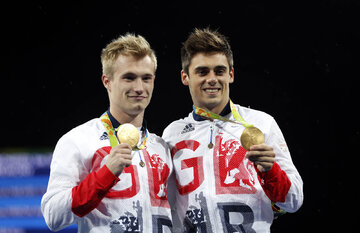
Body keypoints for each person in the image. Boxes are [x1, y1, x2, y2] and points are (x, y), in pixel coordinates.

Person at [163, 28, 303, 232]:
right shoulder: (171, 135)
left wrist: (271, 171)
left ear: (231, 74)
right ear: (185, 77)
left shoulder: (261, 123)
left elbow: (294, 200)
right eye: (202, 71)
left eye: (219, 71)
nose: (212, 79)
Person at [41, 34, 173, 232]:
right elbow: (53, 215)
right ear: (107, 81)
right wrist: (105, 174)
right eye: (129, 77)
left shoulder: (161, 147)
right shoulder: (78, 140)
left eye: (146, 78)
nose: (139, 87)